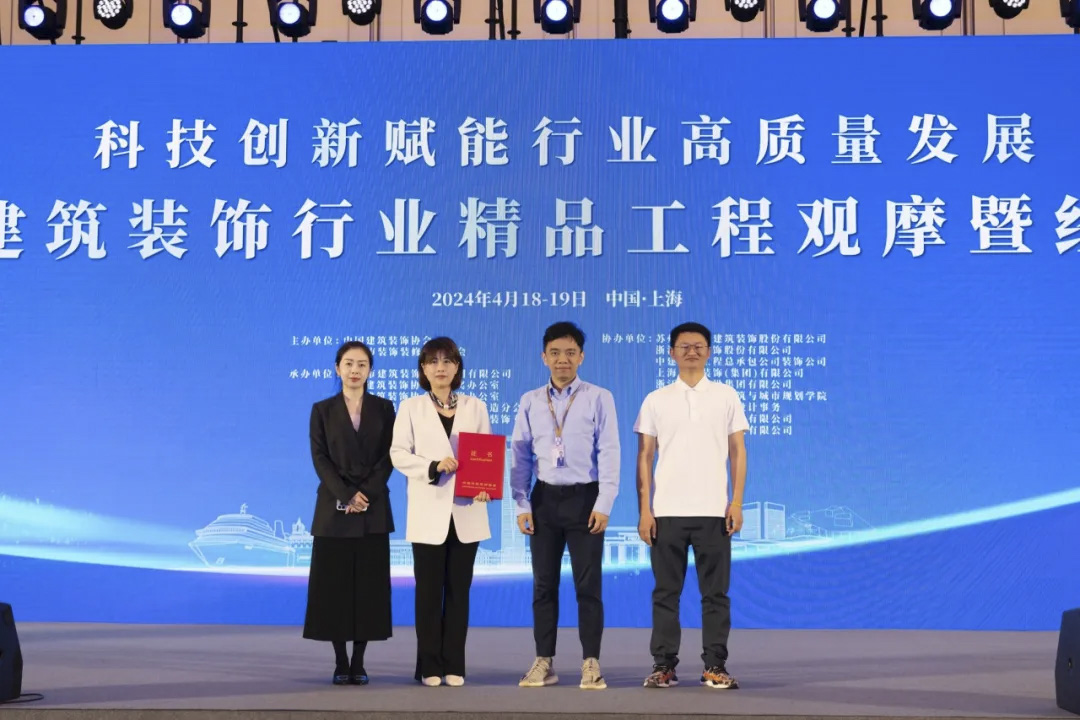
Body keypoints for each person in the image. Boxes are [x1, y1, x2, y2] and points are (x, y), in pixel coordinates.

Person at [634, 322, 749, 690]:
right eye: (684, 346)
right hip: (666, 512)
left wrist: (736, 502)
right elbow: (645, 456)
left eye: (699, 346)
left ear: (709, 352)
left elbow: (737, 451)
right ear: (672, 353)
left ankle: (715, 666)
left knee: (715, 595)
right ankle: (663, 666)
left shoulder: (726, 395)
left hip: (714, 511)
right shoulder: (656, 399)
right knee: (665, 594)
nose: (692, 352)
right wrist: (645, 510)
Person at [510, 321, 619, 690]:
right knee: (543, 585)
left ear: (581, 357)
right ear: (544, 357)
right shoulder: (530, 401)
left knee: (588, 586)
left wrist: (604, 502)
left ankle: (591, 662)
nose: (563, 360)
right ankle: (544, 660)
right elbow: (520, 456)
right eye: (555, 353)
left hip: (585, 500)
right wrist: (521, 504)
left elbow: (609, 451)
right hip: (543, 501)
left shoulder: (598, 397)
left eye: (570, 353)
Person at [390, 336, 493, 688]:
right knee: (429, 594)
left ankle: (455, 664)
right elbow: (398, 454)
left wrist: (486, 486)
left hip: (467, 512)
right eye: (433, 361)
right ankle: (429, 665)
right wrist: (432, 466)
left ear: (457, 367)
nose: (440, 367)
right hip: (428, 511)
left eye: (447, 360)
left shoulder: (476, 407)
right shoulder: (411, 407)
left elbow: (486, 455)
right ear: (423, 368)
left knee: (459, 593)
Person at [304, 341, 396, 685]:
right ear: (337, 368)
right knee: (335, 590)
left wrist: (365, 493)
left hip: (373, 509)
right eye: (348, 363)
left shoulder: (384, 408)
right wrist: (346, 494)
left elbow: (390, 456)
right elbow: (320, 459)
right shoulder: (322, 410)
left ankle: (359, 661)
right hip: (333, 510)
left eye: (362, 364)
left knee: (368, 590)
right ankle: (340, 661)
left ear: (370, 370)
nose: (355, 370)